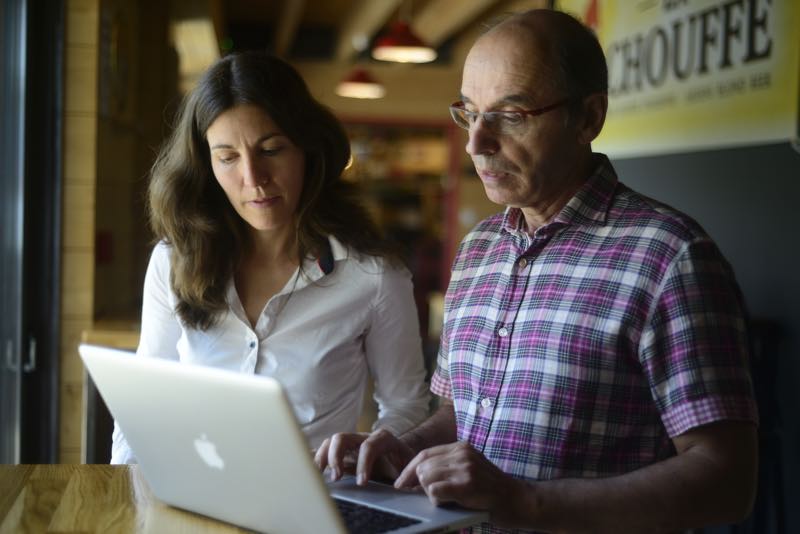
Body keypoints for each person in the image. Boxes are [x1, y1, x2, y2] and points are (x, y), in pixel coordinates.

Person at [316, 9, 759, 533]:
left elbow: (729, 480)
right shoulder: (480, 248)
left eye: (511, 115)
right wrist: (401, 447)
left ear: (589, 117)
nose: (476, 144)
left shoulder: (670, 257)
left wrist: (526, 502)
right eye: (469, 113)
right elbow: (461, 414)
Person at [111, 51, 430, 463]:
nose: (253, 179)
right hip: (192, 499)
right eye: (228, 158)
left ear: (306, 148)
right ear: (206, 165)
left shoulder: (373, 276)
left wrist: (369, 451)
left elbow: (407, 408)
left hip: (315, 506)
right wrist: (126, 496)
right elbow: (144, 399)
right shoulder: (173, 262)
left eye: (272, 149)